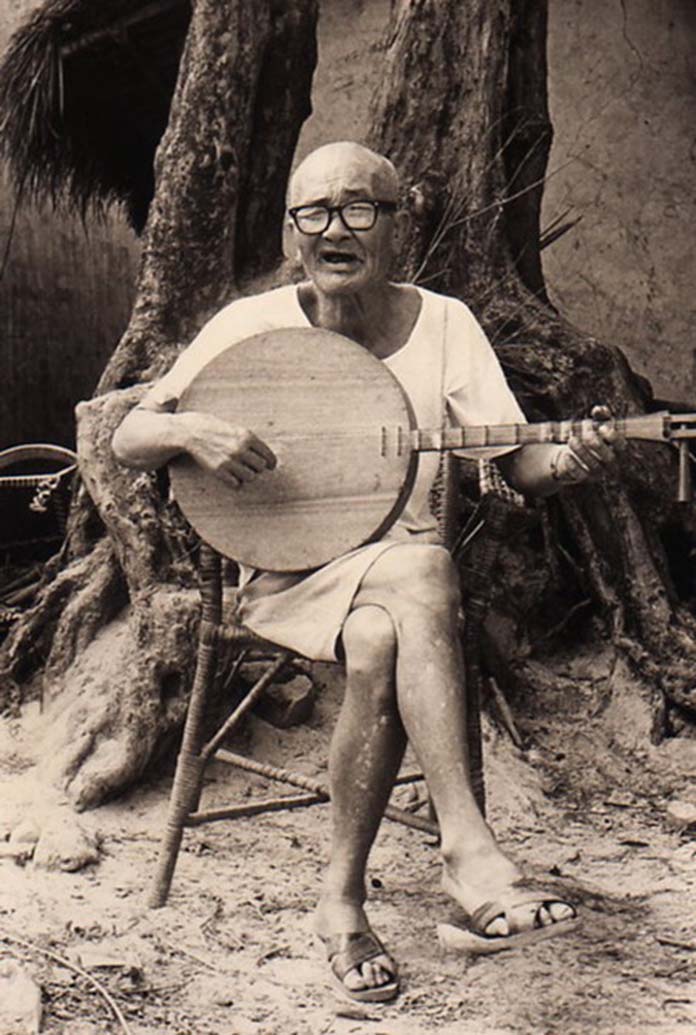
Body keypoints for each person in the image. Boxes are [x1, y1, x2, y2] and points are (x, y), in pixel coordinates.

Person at [112, 141, 624, 1003]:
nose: (334, 230)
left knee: (389, 621)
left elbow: (518, 462)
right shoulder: (250, 326)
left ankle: (340, 905)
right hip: (287, 575)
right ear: (292, 231)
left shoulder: (446, 325)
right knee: (423, 574)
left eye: (358, 209)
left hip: (400, 581)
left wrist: (573, 459)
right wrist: (190, 429)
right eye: (314, 212)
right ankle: (468, 850)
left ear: (397, 225)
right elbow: (130, 436)